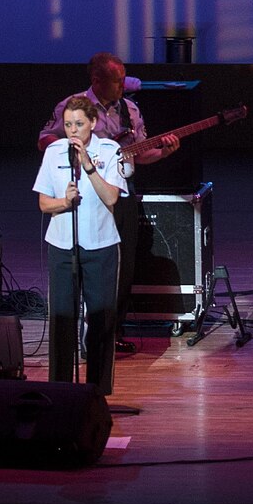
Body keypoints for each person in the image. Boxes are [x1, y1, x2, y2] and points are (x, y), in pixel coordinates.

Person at [38, 53, 179, 355]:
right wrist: (77, 151)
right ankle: (78, 337)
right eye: (117, 81)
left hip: (119, 195)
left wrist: (164, 152)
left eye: (123, 80)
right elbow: (45, 139)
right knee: (85, 267)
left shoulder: (129, 110)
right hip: (83, 199)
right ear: (97, 80)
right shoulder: (73, 107)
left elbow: (138, 154)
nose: (122, 87)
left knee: (121, 269)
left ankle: (110, 334)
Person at [35, 95, 128, 395]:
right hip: (62, 247)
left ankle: (96, 392)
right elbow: (43, 203)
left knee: (100, 320)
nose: (72, 131)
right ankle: (59, 391)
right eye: (67, 125)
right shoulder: (54, 152)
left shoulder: (110, 151)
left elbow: (112, 197)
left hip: (101, 246)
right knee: (62, 319)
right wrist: (64, 201)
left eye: (78, 124)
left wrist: (88, 166)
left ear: (93, 123)